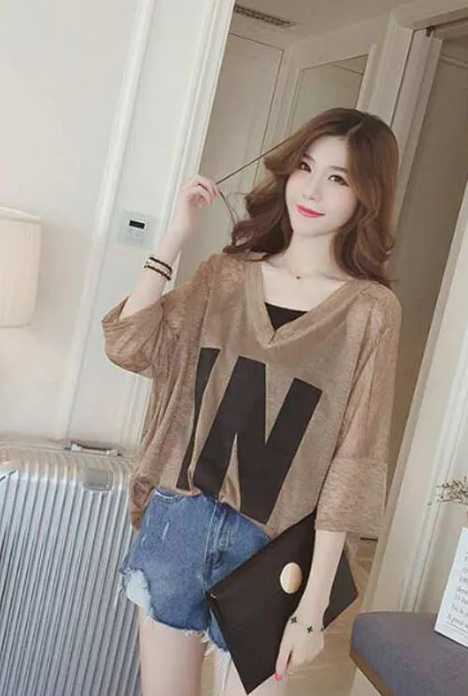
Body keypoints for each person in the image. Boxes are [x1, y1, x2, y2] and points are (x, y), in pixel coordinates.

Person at [102, 107, 402, 696]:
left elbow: (354, 462)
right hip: (180, 523)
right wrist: (175, 236)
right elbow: (130, 345)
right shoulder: (223, 279)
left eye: (338, 179)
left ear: (366, 197)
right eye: (305, 168)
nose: (311, 190)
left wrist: (314, 606)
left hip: (272, 550)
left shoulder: (369, 312)